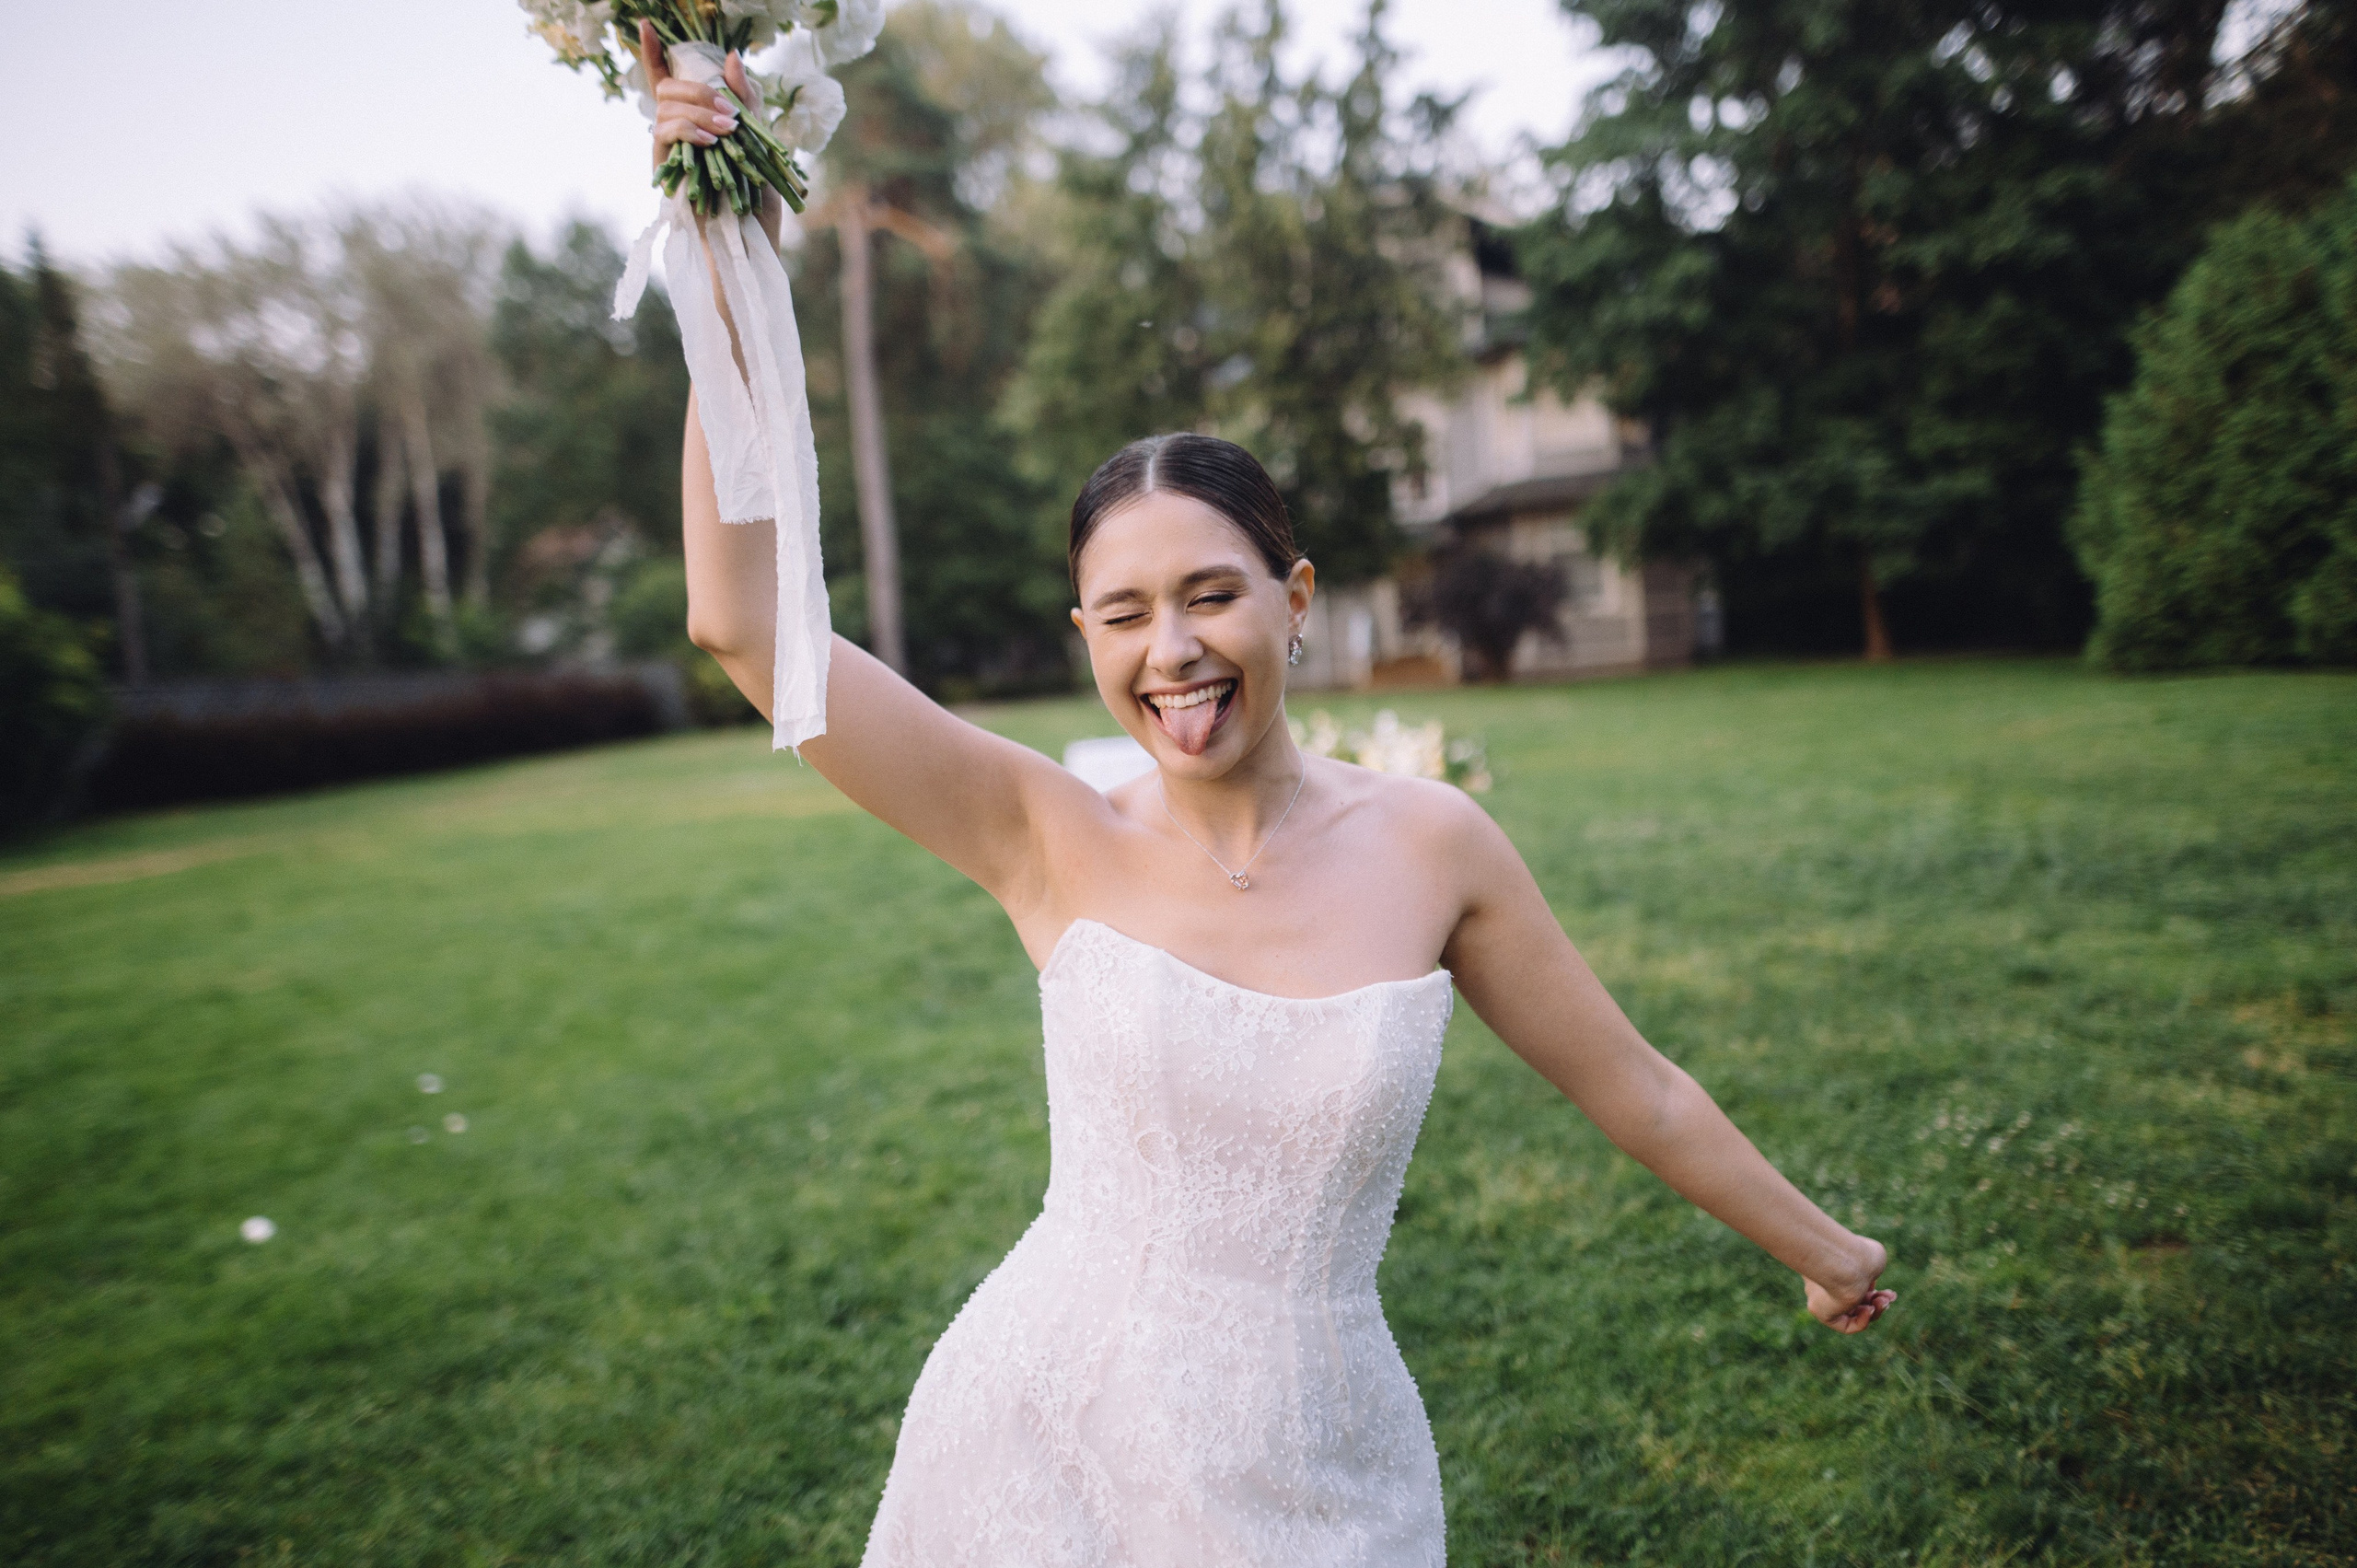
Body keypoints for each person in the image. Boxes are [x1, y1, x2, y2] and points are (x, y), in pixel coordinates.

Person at [647, 35, 1894, 1568]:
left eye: (1210, 595)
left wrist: (1828, 1254)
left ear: (1294, 602)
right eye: (1122, 615)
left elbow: (1630, 1087)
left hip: (1317, 1467)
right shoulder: (1048, 835)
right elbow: (743, 624)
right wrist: (725, 251)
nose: (1170, 652)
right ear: (1084, 640)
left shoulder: (1435, 846)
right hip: (1043, 1440)